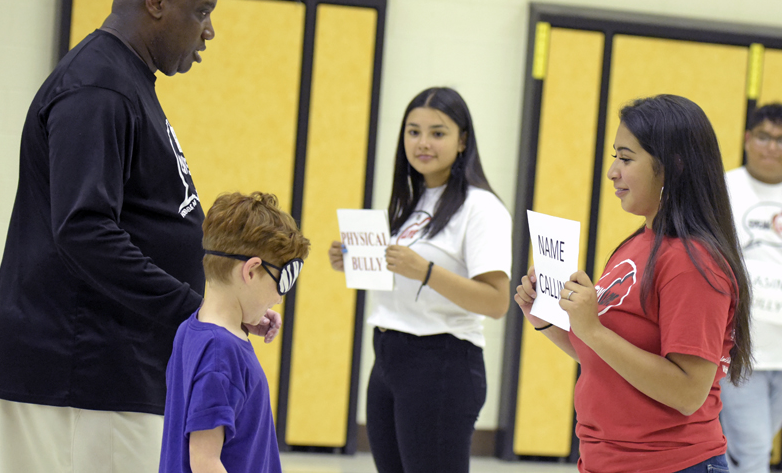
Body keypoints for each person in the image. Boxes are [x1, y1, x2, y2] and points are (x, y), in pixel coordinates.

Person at [0, 0, 277, 472]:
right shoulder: (98, 87)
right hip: (76, 372)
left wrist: (222, 305)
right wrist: (195, 313)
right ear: (157, 2)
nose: (209, 31)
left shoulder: (125, 82)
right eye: (203, 11)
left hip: (108, 370)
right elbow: (84, 230)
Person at [515, 94, 752, 473]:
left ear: (672, 166)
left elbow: (687, 392)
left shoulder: (694, 262)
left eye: (626, 158)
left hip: (671, 464)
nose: (612, 171)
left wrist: (592, 328)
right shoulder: (638, 243)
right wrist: (544, 318)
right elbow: (607, 359)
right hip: (608, 460)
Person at [329, 87, 512, 473]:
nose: (423, 143)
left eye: (437, 132)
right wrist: (357, 261)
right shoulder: (412, 202)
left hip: (441, 363)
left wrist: (425, 271)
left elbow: (496, 302)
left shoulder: (481, 208)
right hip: (389, 357)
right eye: (413, 132)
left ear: (463, 141)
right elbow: (405, 279)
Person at [159, 191, 310, 473]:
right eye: (282, 282)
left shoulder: (191, 330)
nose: (279, 298)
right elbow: (205, 462)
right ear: (251, 271)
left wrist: (243, 317)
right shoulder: (221, 355)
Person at [719, 103, 782, 473]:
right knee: (755, 451)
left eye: (780, 139)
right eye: (764, 136)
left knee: (745, 449)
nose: (772, 147)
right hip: (743, 350)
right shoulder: (724, 189)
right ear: (747, 139)